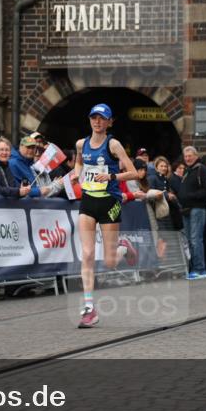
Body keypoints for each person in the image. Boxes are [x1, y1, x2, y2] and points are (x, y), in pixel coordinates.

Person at [74, 103, 139, 328]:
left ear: (110, 122)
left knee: (110, 262)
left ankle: (123, 246)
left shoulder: (113, 144)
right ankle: (89, 309)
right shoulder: (81, 144)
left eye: (102, 118)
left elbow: (134, 172)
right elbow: (79, 163)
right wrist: (74, 175)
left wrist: (111, 177)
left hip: (110, 202)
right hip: (89, 202)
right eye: (94, 117)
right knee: (87, 253)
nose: (97, 122)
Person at [178, 145, 206, 280]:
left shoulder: (202, 170)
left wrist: (190, 196)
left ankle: (200, 269)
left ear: (196, 156)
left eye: (190, 156)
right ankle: (194, 268)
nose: (187, 158)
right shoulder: (188, 171)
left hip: (197, 209)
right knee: (190, 240)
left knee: (195, 240)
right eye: (185, 156)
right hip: (186, 210)